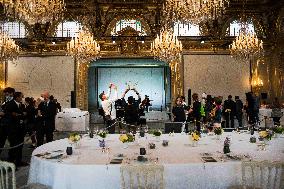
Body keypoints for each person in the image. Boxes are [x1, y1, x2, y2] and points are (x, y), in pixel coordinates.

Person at [3, 92, 28, 167]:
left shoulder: (21, 105)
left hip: (20, 129)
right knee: (13, 146)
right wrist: (16, 115)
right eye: (21, 97)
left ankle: (18, 161)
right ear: (17, 97)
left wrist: (20, 115)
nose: (22, 98)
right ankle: (11, 163)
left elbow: (23, 114)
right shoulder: (10, 104)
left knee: (20, 146)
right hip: (12, 130)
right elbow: (6, 115)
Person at [0, 87, 16, 157]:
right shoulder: (5, 101)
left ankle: (11, 160)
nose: (5, 95)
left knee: (12, 143)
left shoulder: (15, 102)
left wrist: (4, 113)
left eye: (7, 94)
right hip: (3, 125)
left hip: (11, 126)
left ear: (11, 93)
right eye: (5, 94)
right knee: (1, 142)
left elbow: (15, 114)